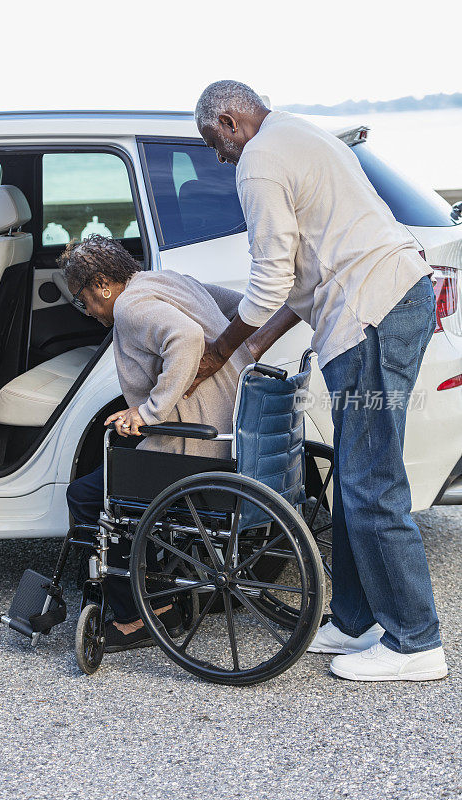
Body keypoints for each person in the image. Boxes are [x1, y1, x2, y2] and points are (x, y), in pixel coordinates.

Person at [187, 79, 447, 682]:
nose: (220, 158)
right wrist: (248, 346)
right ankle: (356, 621)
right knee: (355, 477)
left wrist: (218, 353)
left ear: (228, 120)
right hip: (386, 303)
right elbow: (301, 279)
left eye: (214, 144)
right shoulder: (297, 132)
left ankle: (416, 642)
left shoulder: (259, 160)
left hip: (370, 317)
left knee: (372, 481)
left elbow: (272, 276)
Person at [60, 234, 251, 652]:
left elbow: (184, 337)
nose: (88, 311)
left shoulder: (130, 306)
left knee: (90, 496)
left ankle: (135, 617)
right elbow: (241, 307)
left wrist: (149, 412)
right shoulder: (169, 280)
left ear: (103, 284)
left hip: (193, 447)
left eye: (83, 299)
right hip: (223, 431)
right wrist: (236, 360)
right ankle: (150, 592)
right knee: (111, 471)